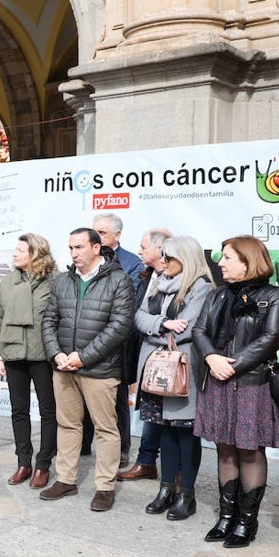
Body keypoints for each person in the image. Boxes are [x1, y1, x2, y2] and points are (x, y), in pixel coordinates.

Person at [192, 235, 279, 547]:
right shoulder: (217, 295)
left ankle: (246, 523)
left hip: (251, 383)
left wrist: (232, 365)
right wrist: (210, 357)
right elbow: (200, 330)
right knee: (224, 447)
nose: (220, 263)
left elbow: (271, 337)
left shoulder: (272, 295)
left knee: (249, 449)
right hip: (217, 380)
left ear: (249, 261)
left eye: (228, 258)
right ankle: (226, 517)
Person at [39, 229, 136, 511]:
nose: (73, 253)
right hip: (64, 367)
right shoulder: (63, 281)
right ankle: (66, 479)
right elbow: (49, 319)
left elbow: (119, 327)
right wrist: (56, 354)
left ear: (96, 248)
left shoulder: (119, 280)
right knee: (67, 424)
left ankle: (105, 486)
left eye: (79, 247)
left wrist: (82, 357)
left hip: (101, 369)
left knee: (106, 428)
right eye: (70, 248)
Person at [134, 235, 214, 519]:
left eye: (169, 257)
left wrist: (156, 330)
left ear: (187, 259)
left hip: (183, 372)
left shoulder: (201, 287)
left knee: (184, 433)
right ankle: (166, 489)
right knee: (164, 429)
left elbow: (188, 329)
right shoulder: (157, 283)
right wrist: (163, 324)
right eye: (163, 256)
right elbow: (139, 318)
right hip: (155, 370)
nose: (163, 262)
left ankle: (186, 494)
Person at [0, 233, 58, 488]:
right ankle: (23, 462)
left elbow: (59, 320)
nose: (15, 254)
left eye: (20, 250)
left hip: (43, 356)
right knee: (19, 410)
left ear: (35, 254)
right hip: (13, 352)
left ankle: (43, 465)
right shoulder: (7, 282)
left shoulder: (54, 281)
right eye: (15, 250)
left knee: (48, 411)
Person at [91, 212, 146, 467]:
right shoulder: (88, 259)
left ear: (117, 235)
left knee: (118, 398)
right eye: (95, 231)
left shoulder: (132, 263)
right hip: (87, 337)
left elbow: (128, 304)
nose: (97, 236)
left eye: (102, 232)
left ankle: (122, 449)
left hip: (118, 341)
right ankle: (82, 445)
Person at [118, 228, 172, 481]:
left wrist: (152, 323)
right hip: (141, 349)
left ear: (160, 250)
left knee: (165, 412)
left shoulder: (176, 280)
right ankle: (146, 461)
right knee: (150, 409)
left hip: (165, 356)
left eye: (143, 246)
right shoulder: (146, 275)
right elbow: (138, 315)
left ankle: (166, 468)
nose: (139, 251)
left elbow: (156, 317)